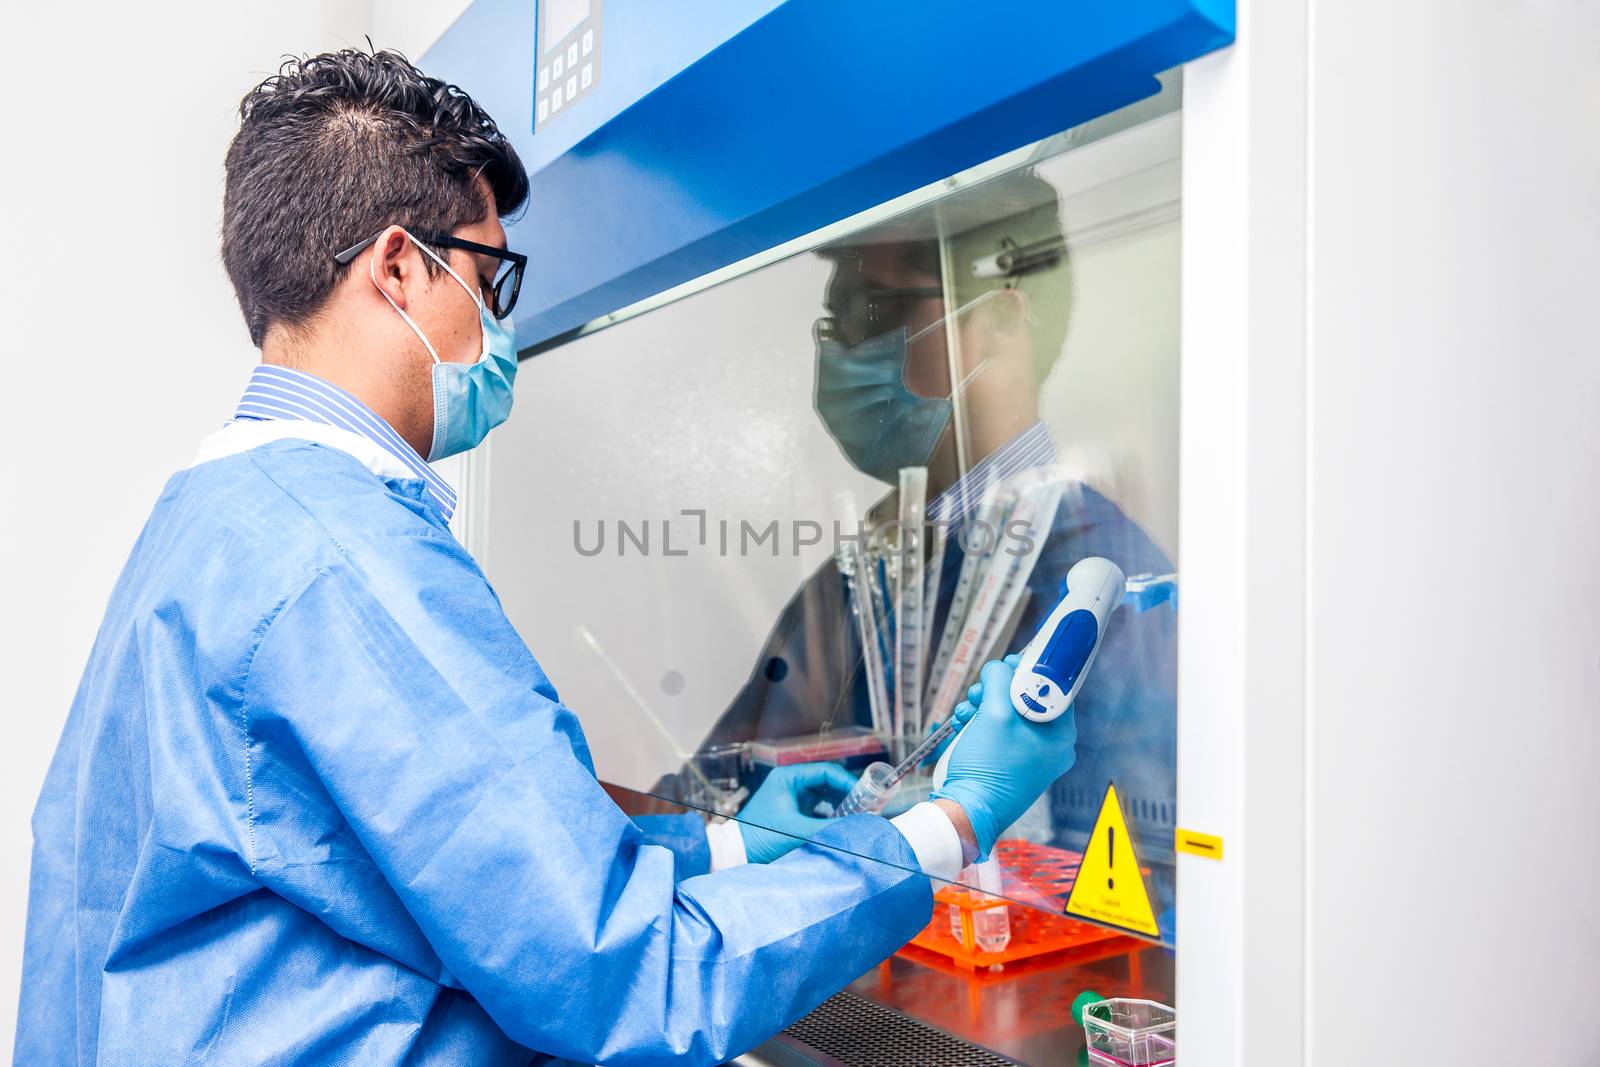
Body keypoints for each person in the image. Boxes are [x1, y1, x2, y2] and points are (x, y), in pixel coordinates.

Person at [14, 49, 1077, 1066]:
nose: (496, 320)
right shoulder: (352, 564)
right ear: (396, 266)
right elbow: (629, 975)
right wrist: (949, 821)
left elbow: (460, 880)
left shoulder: (221, 516)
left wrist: (726, 848)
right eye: (490, 277)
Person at [675, 173, 1180, 918]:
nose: (842, 348)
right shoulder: (862, 574)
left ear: (1005, 322)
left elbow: (1142, 910)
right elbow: (714, 785)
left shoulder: (1108, 583)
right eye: (835, 322)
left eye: (872, 310)